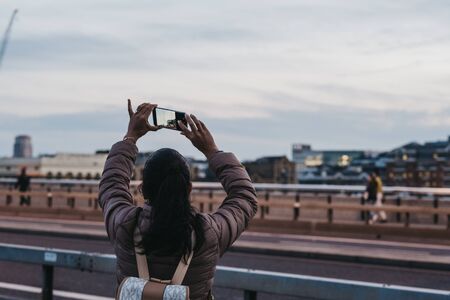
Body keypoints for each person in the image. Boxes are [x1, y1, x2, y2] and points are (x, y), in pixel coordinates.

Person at [98, 100, 258, 299]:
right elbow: (245, 197)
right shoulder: (209, 233)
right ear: (188, 189)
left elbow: (111, 185)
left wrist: (130, 137)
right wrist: (212, 151)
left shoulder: (124, 224)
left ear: (143, 189)